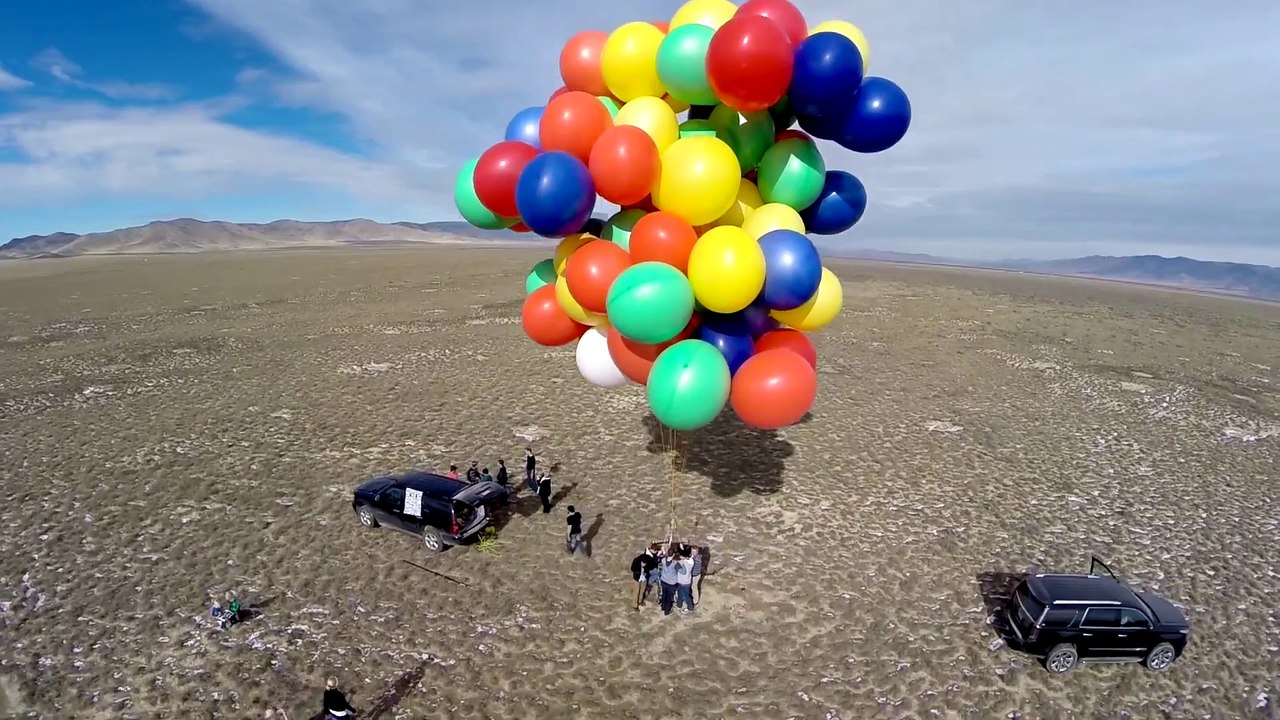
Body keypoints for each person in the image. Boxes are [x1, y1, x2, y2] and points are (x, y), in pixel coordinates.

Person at [630, 544, 661, 610]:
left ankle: (640, 601)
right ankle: (635, 605)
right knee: (636, 591)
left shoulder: (647, 559)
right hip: (637, 577)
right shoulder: (637, 561)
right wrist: (636, 574)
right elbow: (632, 568)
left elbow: (653, 564)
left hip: (643, 576)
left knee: (642, 589)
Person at [658, 545, 680, 616]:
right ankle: (667, 611)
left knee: (664, 595)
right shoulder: (675, 563)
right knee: (669, 597)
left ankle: (663, 607)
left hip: (664, 580)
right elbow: (681, 570)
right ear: (673, 554)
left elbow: (663, 557)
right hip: (671, 583)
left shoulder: (663, 560)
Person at [675, 545, 695, 614]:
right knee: (680, 593)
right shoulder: (691, 560)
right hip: (686, 581)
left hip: (683, 582)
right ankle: (679, 604)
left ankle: (690, 607)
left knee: (686, 596)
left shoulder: (685, 563)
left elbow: (682, 571)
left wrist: (677, 565)